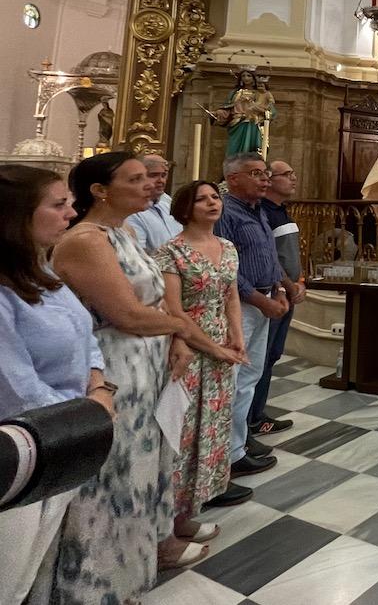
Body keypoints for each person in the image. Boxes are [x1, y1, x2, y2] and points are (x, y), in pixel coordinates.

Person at [51, 153, 203, 600]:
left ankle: (137, 567)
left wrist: (176, 338)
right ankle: (98, 583)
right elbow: (127, 314)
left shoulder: (127, 231)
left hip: (150, 362)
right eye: (135, 179)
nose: (149, 185)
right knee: (116, 476)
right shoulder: (86, 240)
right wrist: (184, 328)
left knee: (145, 472)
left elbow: (155, 304)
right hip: (117, 366)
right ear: (100, 190)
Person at [0, 166, 113, 604]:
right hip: (20, 449)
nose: (72, 212)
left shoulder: (43, 272)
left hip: (66, 435)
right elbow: (15, 386)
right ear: (16, 216)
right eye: (59, 204)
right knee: (7, 574)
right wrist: (90, 413)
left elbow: (85, 337)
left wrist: (98, 387)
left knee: (30, 565)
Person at [158, 181, 251, 532]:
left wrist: (237, 337)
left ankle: (188, 513)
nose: (212, 203)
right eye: (202, 199)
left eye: (215, 197)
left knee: (210, 430)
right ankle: (168, 521)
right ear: (185, 208)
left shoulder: (226, 247)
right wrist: (215, 348)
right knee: (183, 432)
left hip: (221, 350)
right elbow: (174, 310)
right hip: (187, 346)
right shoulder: (171, 251)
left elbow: (230, 297)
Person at [213, 152, 289, 485]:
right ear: (232, 179)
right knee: (235, 379)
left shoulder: (257, 210)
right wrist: (259, 298)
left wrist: (279, 288)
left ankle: (237, 447)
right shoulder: (225, 213)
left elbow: (266, 256)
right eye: (256, 173)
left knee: (249, 377)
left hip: (264, 298)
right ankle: (225, 455)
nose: (264, 179)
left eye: (265, 173)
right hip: (241, 304)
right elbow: (228, 268)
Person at [249, 160, 305, 437]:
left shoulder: (282, 211)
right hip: (272, 295)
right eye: (288, 174)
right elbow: (269, 257)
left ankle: (258, 415)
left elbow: (291, 254)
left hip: (286, 293)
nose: (294, 178)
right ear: (270, 180)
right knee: (259, 358)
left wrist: (300, 281)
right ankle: (250, 419)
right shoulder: (262, 213)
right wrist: (286, 286)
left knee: (271, 355)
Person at [213, 69, 276, 157]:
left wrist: (261, 110)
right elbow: (228, 108)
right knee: (234, 150)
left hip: (253, 124)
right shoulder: (235, 93)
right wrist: (218, 113)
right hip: (237, 124)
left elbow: (270, 110)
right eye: (243, 76)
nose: (246, 78)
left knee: (252, 150)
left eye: (249, 76)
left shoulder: (261, 93)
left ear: (254, 78)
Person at [127, 153, 183, 252]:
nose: (161, 180)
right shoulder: (131, 212)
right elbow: (138, 254)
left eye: (164, 175)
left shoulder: (167, 203)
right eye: (153, 175)